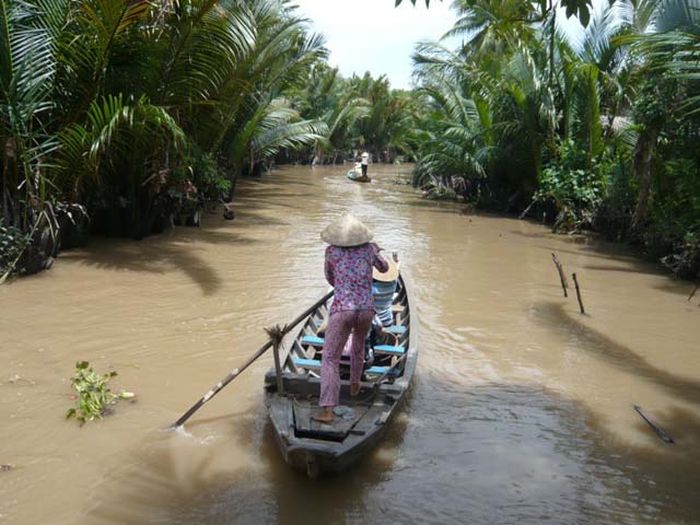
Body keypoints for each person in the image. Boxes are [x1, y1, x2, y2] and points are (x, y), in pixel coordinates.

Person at [314, 213, 389, 423]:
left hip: (342, 308)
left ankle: (327, 411)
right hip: (366, 309)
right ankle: (355, 383)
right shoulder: (369, 249)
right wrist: (377, 251)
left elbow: (330, 277)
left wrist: (343, 285)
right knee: (358, 346)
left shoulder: (331, 252)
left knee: (329, 359)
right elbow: (385, 268)